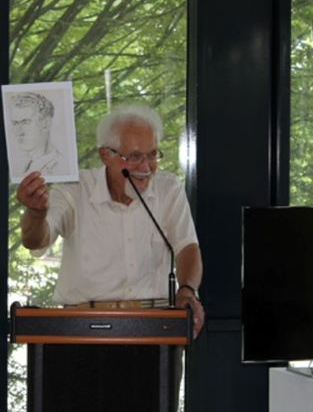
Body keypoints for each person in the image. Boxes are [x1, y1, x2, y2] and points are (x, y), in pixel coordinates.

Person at [16, 104, 205, 338]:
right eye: (134, 156)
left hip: (154, 330)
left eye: (152, 154)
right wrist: (36, 212)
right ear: (106, 155)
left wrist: (187, 290)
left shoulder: (168, 188)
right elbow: (35, 241)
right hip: (82, 330)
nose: (146, 167)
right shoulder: (74, 190)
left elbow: (187, 247)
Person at [9, 92, 67, 177]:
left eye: (26, 122)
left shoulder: (62, 166)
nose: (19, 131)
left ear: (46, 124)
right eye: (15, 123)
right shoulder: (25, 167)